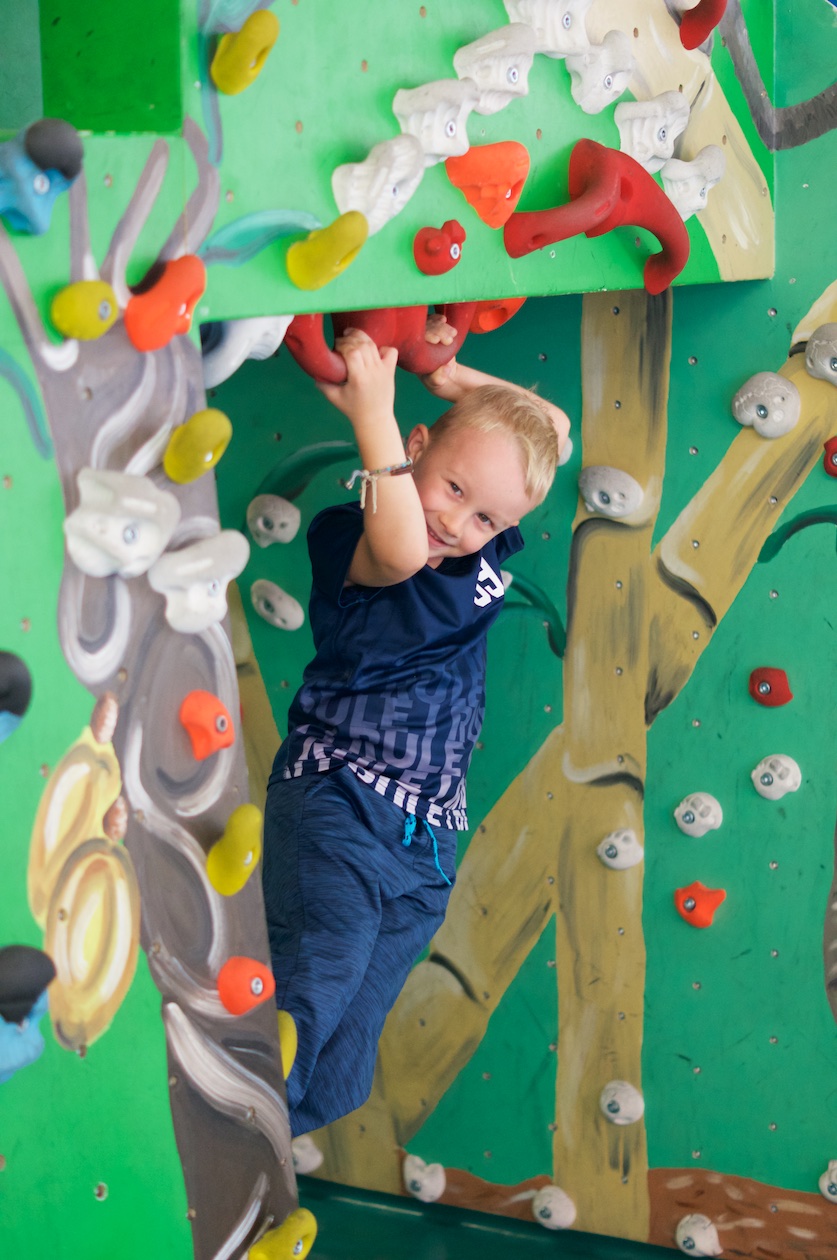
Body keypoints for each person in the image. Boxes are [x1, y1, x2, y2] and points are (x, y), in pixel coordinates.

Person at [262, 322, 570, 1136]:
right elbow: (399, 545)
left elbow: (555, 434)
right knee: (313, 990)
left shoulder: (484, 546)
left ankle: (267, 1137)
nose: (459, 523)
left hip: (425, 844)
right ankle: (223, 1137)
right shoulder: (356, 538)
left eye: (483, 516)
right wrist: (376, 416)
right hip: (340, 800)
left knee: (343, 1067)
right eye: (452, 489)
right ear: (414, 448)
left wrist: (457, 376)